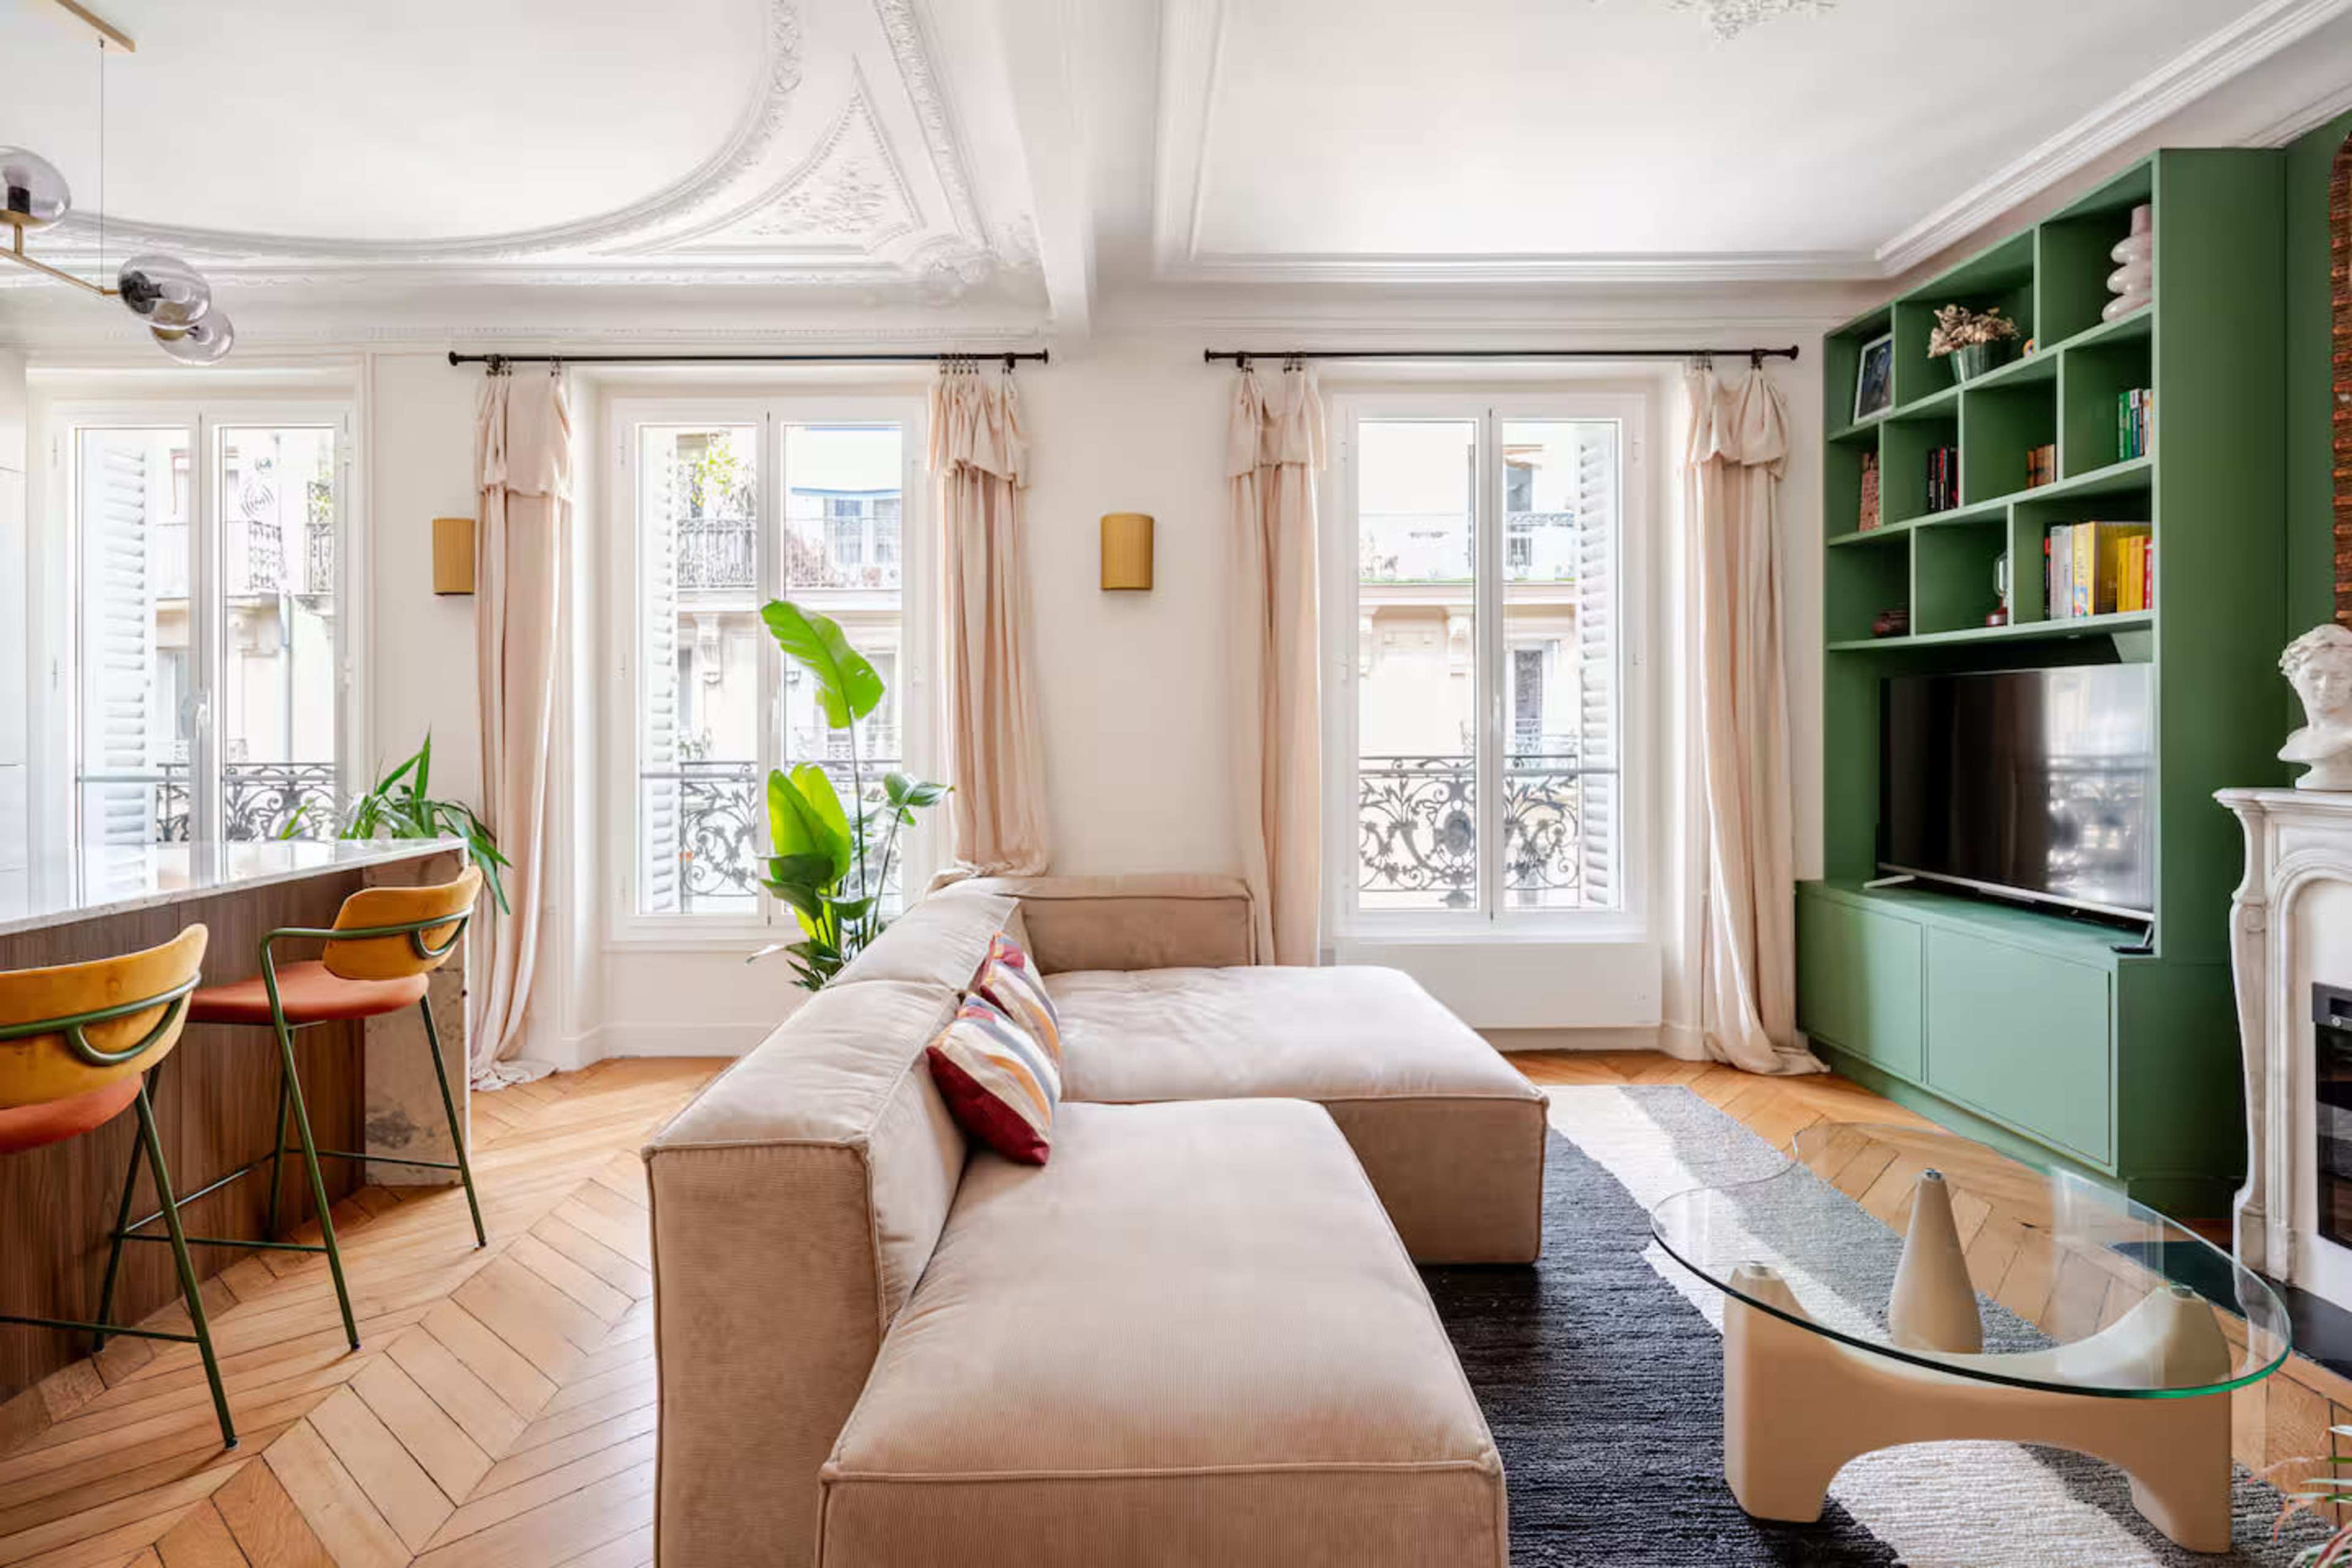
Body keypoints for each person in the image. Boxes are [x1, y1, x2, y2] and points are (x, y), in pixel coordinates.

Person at [2280, 624, 2352, 790]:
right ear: (2294, 677)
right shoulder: (2296, 739)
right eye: (2314, 676)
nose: (2325, 686)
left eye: (2339, 677)